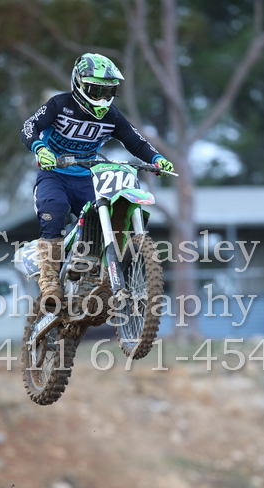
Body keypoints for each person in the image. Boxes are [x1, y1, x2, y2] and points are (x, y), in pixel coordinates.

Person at [20, 52, 174, 306]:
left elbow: (136, 141)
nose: (102, 98)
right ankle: (49, 283)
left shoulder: (112, 116)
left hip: (88, 177)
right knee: (54, 211)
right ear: (79, 84)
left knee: (108, 215)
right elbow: (29, 126)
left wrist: (157, 159)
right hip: (54, 175)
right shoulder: (59, 104)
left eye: (108, 91)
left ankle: (94, 272)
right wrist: (40, 148)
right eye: (96, 90)